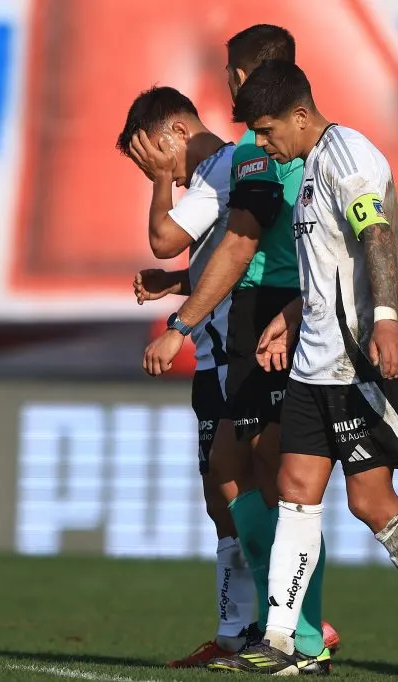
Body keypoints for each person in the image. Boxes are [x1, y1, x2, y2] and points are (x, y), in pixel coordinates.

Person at [208, 59, 398, 679]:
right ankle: (284, 641)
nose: (261, 142)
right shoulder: (308, 168)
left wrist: (387, 318)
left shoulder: (349, 157)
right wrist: (290, 314)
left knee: (372, 501)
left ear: (301, 115)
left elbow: (379, 238)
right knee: (295, 489)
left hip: (363, 364)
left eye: (266, 129)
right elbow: (329, 268)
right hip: (316, 363)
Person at [137, 26, 338, 672]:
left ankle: (302, 629)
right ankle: (270, 624)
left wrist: (182, 323)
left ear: (243, 75)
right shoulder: (267, 144)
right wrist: (185, 289)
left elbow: (243, 239)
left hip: (273, 307)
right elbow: (227, 241)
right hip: (263, 307)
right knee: (230, 473)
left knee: (288, 483)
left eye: (231, 74)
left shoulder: (255, 149)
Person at [115, 85, 258, 667]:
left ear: (176, 132)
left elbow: (165, 237)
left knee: (245, 491)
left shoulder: (222, 169)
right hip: (214, 353)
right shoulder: (219, 176)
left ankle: (289, 622)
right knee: (222, 497)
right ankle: (235, 632)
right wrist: (176, 283)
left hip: (234, 355)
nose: (168, 179)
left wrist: (157, 186)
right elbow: (212, 259)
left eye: (160, 161)